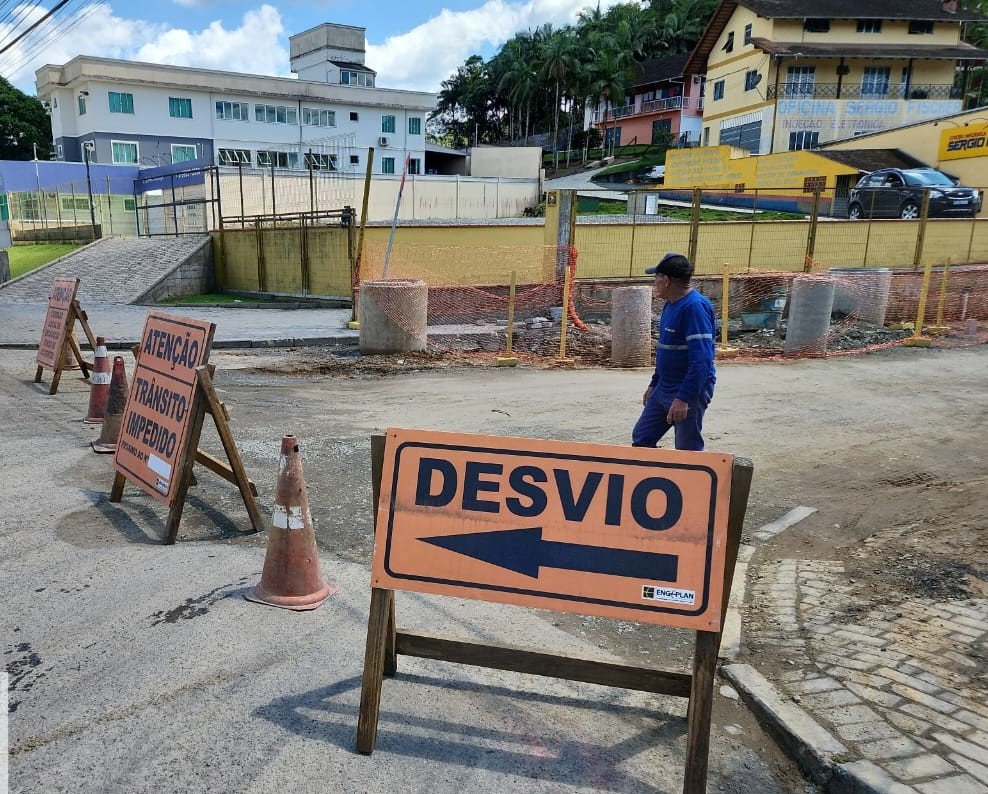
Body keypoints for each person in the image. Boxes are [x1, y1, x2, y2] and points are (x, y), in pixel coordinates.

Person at [632, 252, 716, 451]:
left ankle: (692, 481)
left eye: (656, 278)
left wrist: (684, 398)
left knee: (687, 449)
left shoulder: (694, 308)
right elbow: (666, 349)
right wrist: (655, 383)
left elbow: (702, 361)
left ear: (666, 280)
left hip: (688, 389)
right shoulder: (671, 305)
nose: (655, 284)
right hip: (665, 386)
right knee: (642, 438)